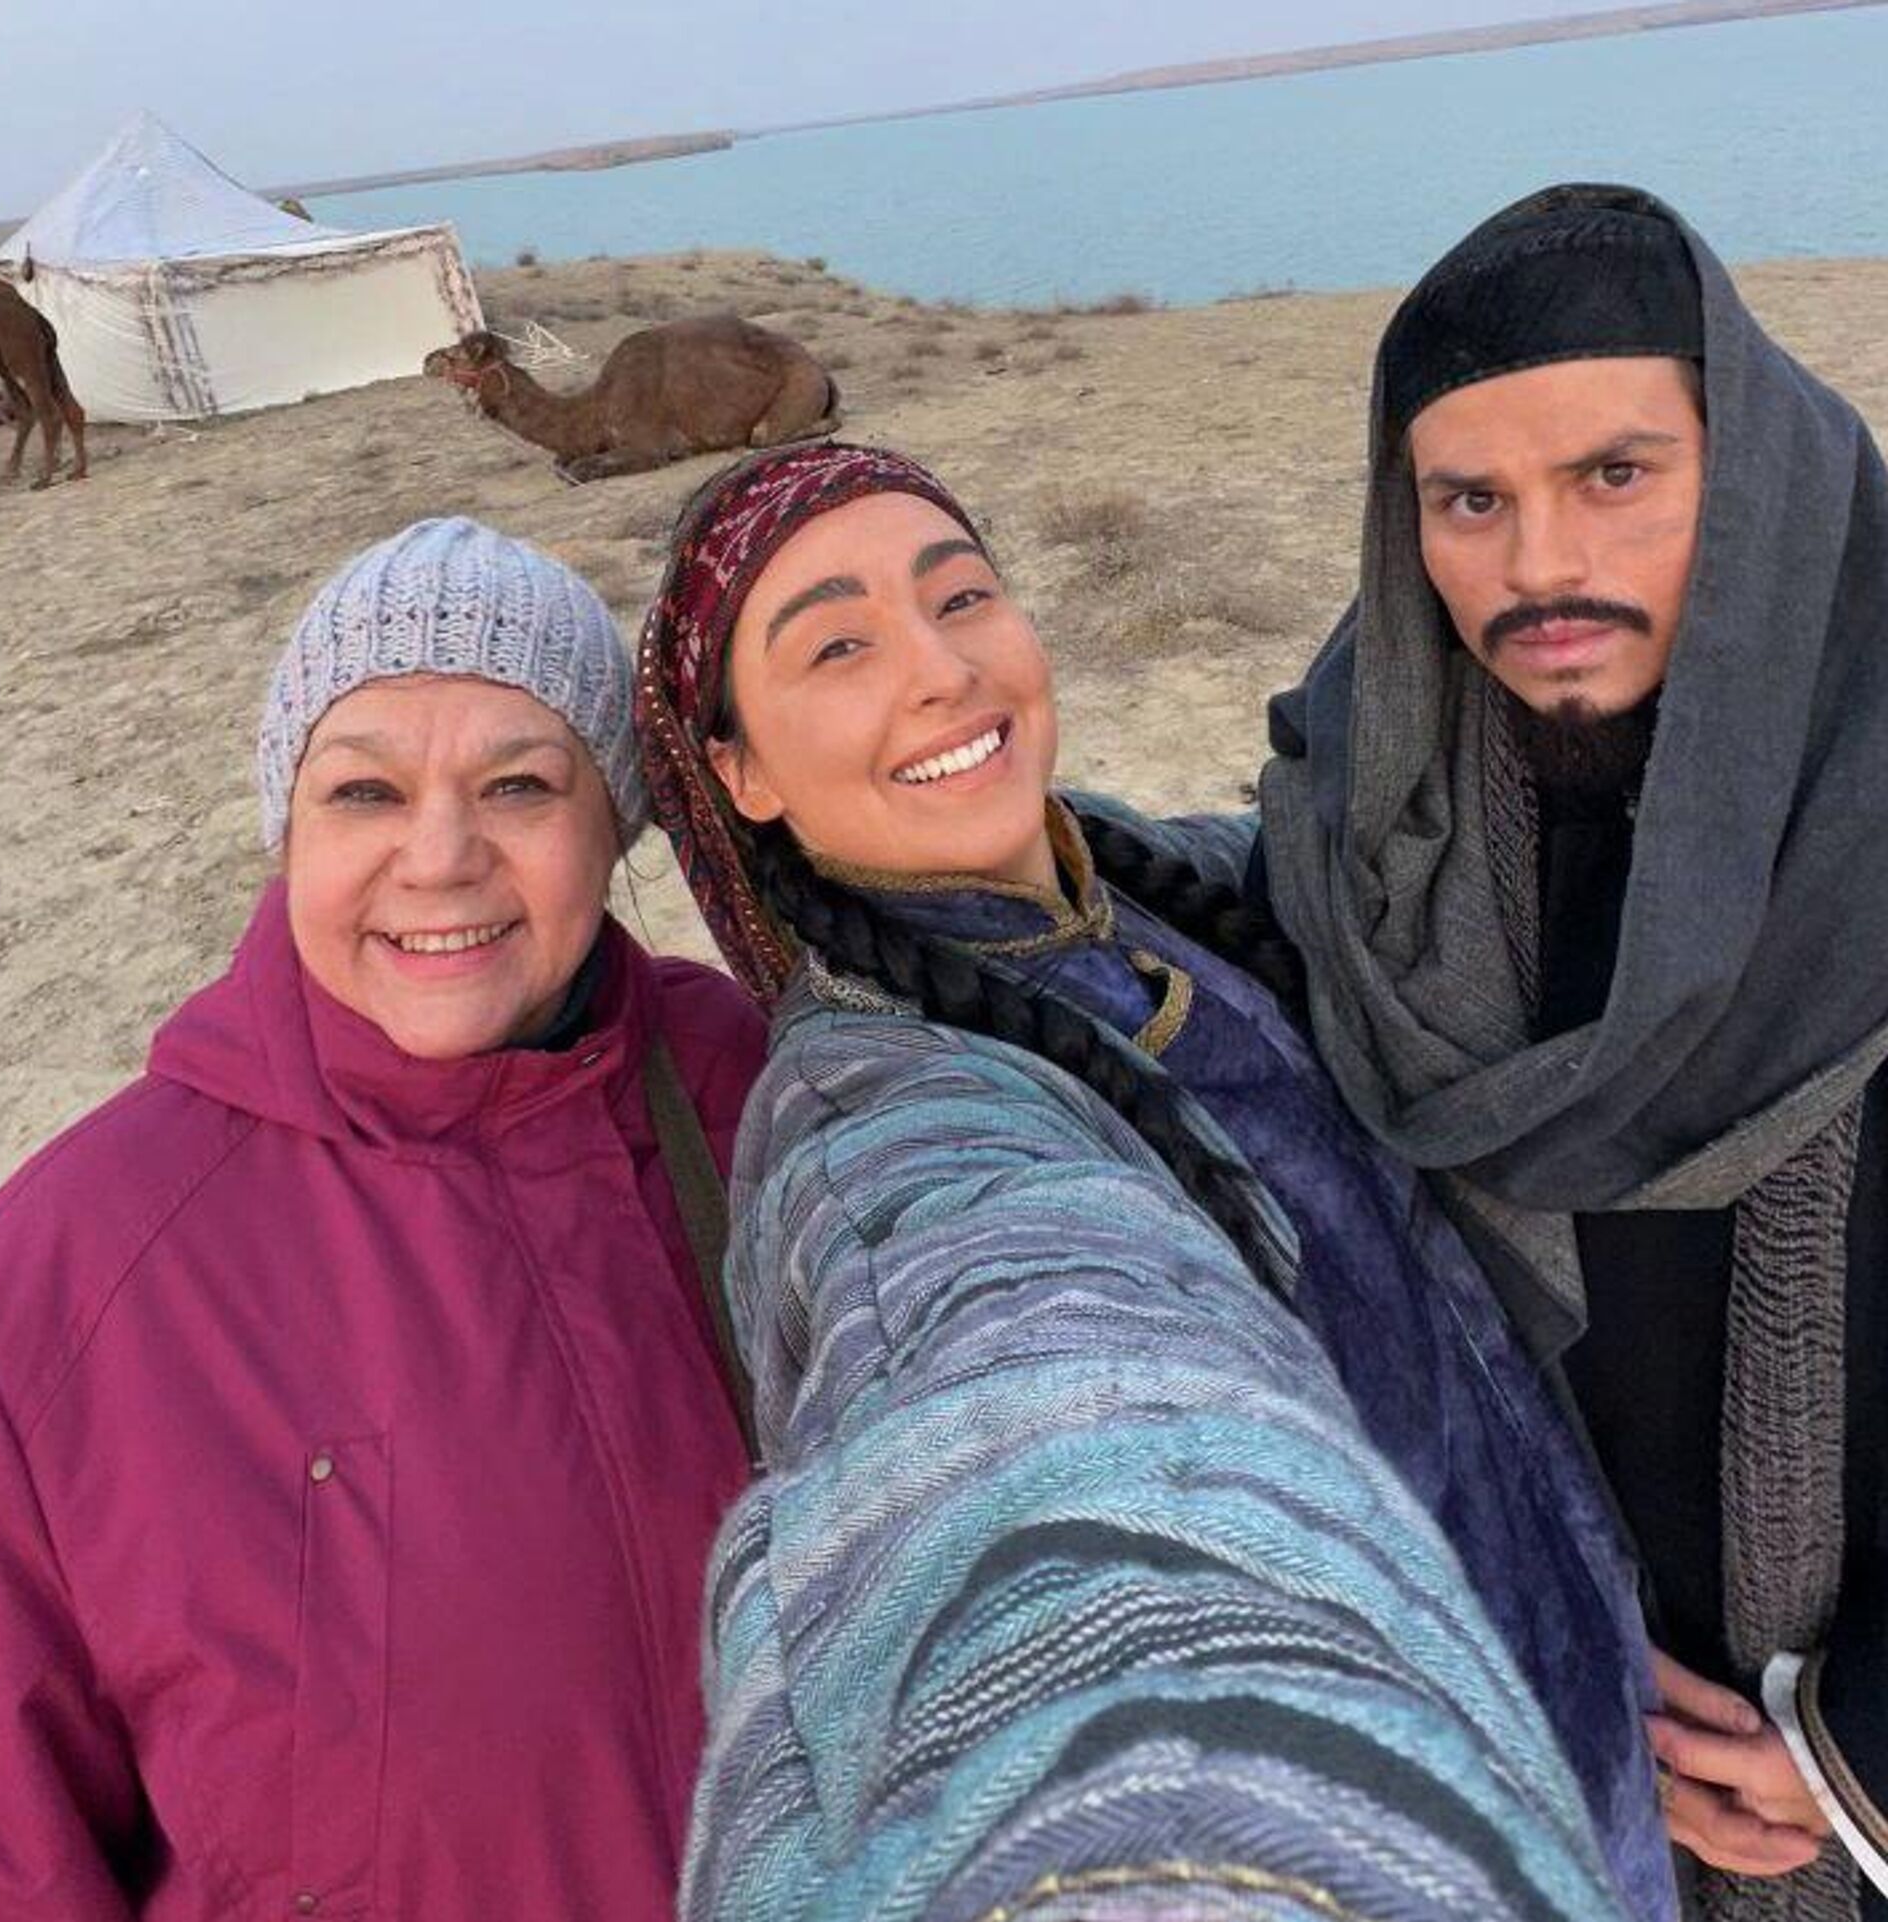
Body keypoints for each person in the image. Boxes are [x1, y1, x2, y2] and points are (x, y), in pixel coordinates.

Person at [635, 441, 1670, 1919]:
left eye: (961, 595)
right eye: (840, 646)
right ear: (738, 771)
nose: (942, 671)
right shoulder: (875, 1129)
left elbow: (1425, 799)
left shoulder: (1148, 881)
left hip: (1592, 1739)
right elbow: (1028, 1404)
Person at [0, 518, 765, 1920]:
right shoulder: (54, 1287)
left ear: (616, 823)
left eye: (518, 784)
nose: (438, 856)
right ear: (290, 830)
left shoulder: (762, 1098)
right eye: (364, 791)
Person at [1256, 183, 1888, 1919]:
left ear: (1750, 474)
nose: (1539, 566)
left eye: (1616, 474)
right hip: (1558, 1769)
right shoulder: (1374, 847)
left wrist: (1854, 1748)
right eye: (1471, 500)